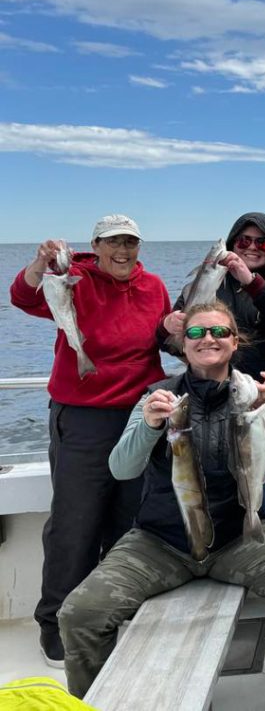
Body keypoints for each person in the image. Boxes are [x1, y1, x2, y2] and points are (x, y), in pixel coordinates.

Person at [57, 301, 265, 711]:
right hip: (160, 542)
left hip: (237, 536)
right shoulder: (158, 397)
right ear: (182, 346)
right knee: (79, 615)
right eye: (196, 333)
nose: (208, 339)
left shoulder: (252, 393)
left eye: (220, 332)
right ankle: (91, 703)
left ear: (235, 342)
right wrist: (151, 427)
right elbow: (121, 468)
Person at [9, 214, 171, 668]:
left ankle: (110, 609)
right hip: (83, 419)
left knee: (130, 520)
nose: (123, 252)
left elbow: (160, 339)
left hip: (140, 416)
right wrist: (40, 266)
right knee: (74, 522)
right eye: (114, 243)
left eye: (131, 244)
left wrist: (181, 331)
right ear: (96, 245)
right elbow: (23, 298)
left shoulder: (153, 285)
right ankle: (56, 624)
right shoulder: (73, 279)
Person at [164, 212, 265, 539]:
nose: (252, 248)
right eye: (244, 241)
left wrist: (251, 281)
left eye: (262, 241)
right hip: (213, 413)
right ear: (231, 244)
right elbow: (173, 344)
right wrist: (166, 326)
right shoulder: (209, 283)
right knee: (220, 507)